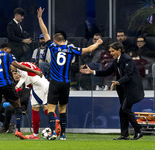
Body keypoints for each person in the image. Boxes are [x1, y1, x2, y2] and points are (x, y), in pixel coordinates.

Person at [37, 7, 103, 140]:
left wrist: (39, 18)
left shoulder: (53, 47)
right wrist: (98, 43)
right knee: (62, 109)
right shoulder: (71, 49)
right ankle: (63, 135)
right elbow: (88, 49)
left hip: (55, 82)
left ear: (55, 41)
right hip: (66, 83)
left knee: (51, 109)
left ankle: (53, 132)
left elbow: (45, 33)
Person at [80, 42, 144, 140]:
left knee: (125, 110)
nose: (111, 53)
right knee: (123, 111)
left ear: (119, 50)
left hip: (132, 90)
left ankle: (138, 130)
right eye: (110, 51)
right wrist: (92, 72)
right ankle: (125, 135)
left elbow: (129, 76)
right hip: (124, 90)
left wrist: (117, 82)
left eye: (113, 51)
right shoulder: (116, 61)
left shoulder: (127, 59)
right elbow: (107, 72)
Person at [0, 43, 42, 140]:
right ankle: (18, 130)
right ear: (5, 49)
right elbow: (19, 66)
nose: (10, 52)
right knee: (17, 104)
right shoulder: (9, 56)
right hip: (6, 84)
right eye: (9, 50)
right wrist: (35, 71)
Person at [11, 62, 60, 140]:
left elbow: (25, 78)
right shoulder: (26, 63)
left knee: (36, 108)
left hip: (38, 86)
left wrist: (17, 87)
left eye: (11, 67)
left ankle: (53, 121)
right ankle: (55, 120)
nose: (11, 69)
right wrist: (18, 86)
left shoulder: (19, 67)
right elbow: (26, 76)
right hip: (45, 83)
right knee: (44, 107)